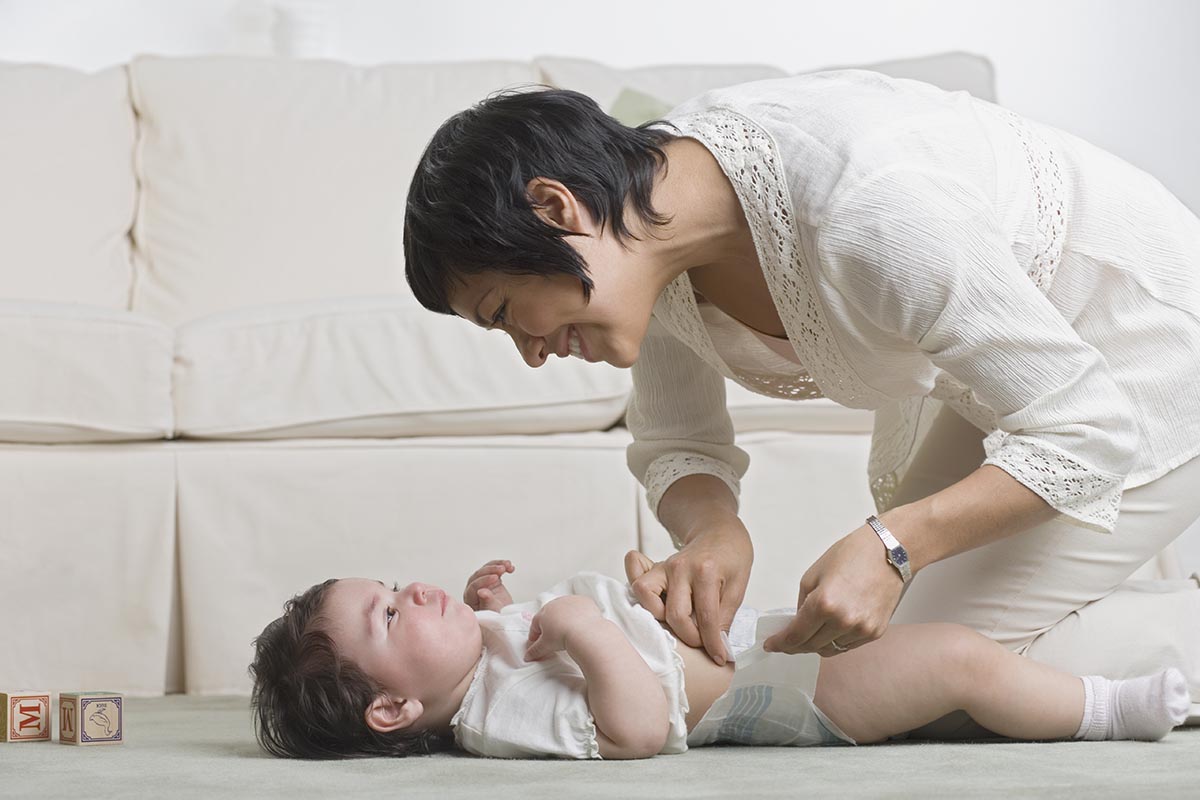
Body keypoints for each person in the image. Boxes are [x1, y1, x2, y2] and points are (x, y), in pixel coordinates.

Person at [401, 72, 1200, 719]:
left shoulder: (866, 205)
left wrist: (898, 543)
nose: (532, 355)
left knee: (924, 679)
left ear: (555, 209)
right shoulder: (650, 235)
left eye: (505, 315)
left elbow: (1084, 429)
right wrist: (713, 531)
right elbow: (681, 440)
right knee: (868, 669)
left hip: (1140, 349)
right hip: (1018, 377)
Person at [247, 554, 1189, 759]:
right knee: (951, 659)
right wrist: (579, 627)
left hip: (756, 641)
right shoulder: (496, 721)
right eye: (386, 617)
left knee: (940, 616)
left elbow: (513, 633)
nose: (410, 590)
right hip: (783, 695)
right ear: (391, 710)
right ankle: (1112, 708)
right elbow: (636, 728)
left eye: (389, 584)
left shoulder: (479, 650)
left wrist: (498, 604)